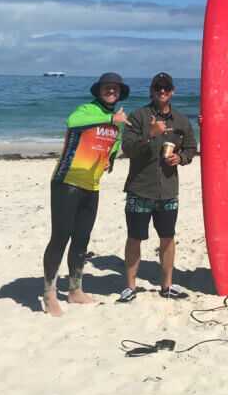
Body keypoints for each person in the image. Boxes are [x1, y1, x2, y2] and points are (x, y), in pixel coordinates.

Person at [42, 72, 129, 317]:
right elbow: (72, 123)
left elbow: (113, 145)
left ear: (120, 93)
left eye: (115, 88)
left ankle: (74, 290)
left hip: (91, 186)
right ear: (99, 90)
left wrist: (111, 160)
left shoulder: (117, 122)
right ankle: (49, 293)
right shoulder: (87, 110)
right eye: (107, 87)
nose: (111, 91)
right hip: (66, 181)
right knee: (60, 237)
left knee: (82, 239)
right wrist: (111, 117)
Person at [118, 72, 197, 303]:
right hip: (140, 188)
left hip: (169, 190)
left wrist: (181, 158)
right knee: (135, 238)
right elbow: (128, 149)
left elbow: (192, 147)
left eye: (166, 88)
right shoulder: (138, 117)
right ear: (151, 90)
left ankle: (167, 286)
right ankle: (131, 288)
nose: (162, 91)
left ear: (172, 91)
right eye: (158, 87)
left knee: (167, 237)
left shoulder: (181, 120)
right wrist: (150, 136)